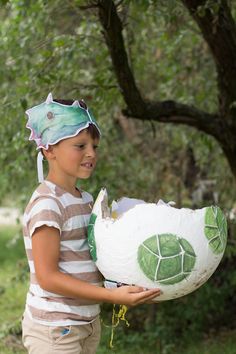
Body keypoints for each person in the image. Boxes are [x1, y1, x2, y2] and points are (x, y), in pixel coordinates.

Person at [21, 93, 161, 354]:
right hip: (56, 328)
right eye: (80, 145)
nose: (91, 153)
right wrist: (112, 297)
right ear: (49, 149)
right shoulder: (47, 203)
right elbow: (48, 278)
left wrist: (130, 281)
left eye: (94, 147)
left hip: (86, 322)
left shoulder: (85, 200)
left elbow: (92, 257)